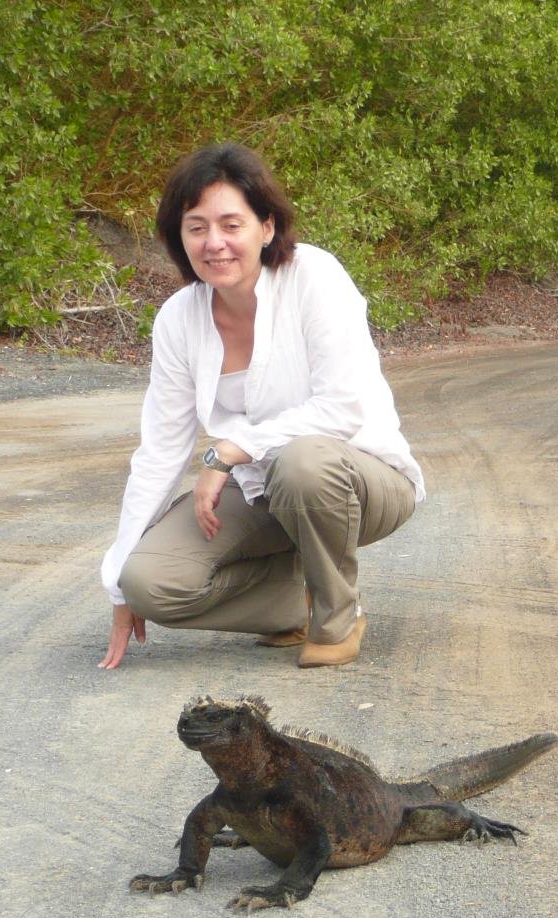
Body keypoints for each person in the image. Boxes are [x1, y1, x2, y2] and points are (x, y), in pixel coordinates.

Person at [98, 143, 424, 670]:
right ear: (179, 238)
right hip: (263, 492)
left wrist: (230, 449)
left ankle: (338, 617)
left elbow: (342, 409)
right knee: (148, 583)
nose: (215, 243)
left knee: (303, 462)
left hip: (360, 480)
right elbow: (159, 451)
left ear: (266, 227)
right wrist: (118, 587)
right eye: (197, 227)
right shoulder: (179, 318)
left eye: (232, 224)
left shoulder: (314, 276)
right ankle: (296, 602)